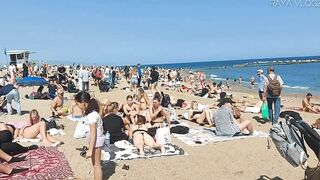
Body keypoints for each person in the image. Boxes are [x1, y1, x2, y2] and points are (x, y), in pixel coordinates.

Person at [74, 91, 103, 180]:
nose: (77, 106)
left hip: (96, 141)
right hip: (95, 141)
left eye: (78, 104)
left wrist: (90, 150)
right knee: (95, 165)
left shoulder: (92, 116)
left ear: (83, 103)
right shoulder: (92, 112)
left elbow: (93, 133)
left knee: (96, 165)